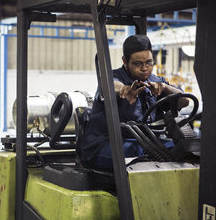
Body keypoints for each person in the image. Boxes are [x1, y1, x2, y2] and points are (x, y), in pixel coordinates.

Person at [80, 34, 189, 171]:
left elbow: (184, 101)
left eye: (149, 62)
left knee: (182, 149)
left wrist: (166, 88)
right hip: (103, 146)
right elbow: (111, 86)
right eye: (138, 64)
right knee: (141, 153)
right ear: (125, 61)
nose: (144, 68)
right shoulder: (112, 77)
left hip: (145, 143)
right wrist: (124, 90)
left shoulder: (157, 81)